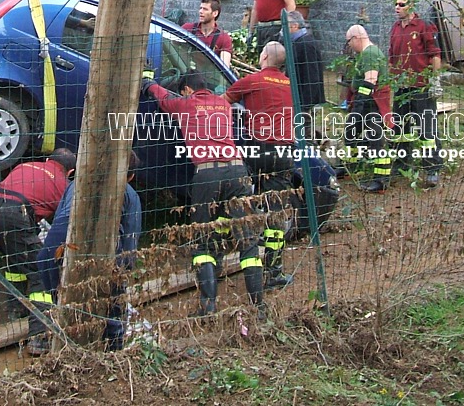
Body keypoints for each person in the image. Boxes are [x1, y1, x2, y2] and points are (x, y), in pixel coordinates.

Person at [142, 71, 265, 317]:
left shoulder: (185, 104)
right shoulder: (222, 104)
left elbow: (163, 98)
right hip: (237, 171)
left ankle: (207, 306)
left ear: (187, 89)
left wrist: (149, 83)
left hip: (207, 173)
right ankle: (259, 306)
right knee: (246, 238)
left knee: (201, 239)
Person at [36, 151, 142, 353]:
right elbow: (130, 240)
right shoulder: (130, 194)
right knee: (114, 293)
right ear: (131, 176)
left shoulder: (76, 184)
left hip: (64, 236)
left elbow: (58, 222)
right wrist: (125, 269)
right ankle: (114, 344)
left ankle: (59, 326)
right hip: (106, 241)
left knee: (50, 270)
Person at [0, 148, 76, 352]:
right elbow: (63, 222)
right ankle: (38, 337)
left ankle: (16, 310)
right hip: (14, 214)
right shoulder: (63, 185)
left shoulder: (26, 165)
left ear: (49, 159)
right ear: (70, 172)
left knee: (16, 262)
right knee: (40, 270)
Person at [225, 41, 295, 289]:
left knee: (246, 200)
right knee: (276, 210)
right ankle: (273, 270)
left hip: (257, 148)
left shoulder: (252, 80)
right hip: (283, 151)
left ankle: (244, 250)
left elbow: (223, 101)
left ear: (264, 56)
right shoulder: (291, 84)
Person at [388, 0, 444, 187]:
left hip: (421, 86)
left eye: (401, 4)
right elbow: (392, 56)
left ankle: (432, 168)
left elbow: (435, 54)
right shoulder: (395, 28)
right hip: (401, 87)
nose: (397, 7)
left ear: (411, 6)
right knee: (400, 128)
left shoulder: (424, 25)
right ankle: (402, 164)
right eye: (395, 4)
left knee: (426, 129)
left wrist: (435, 80)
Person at [342, 25, 394, 193]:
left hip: (372, 103)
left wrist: (359, 105)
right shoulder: (365, 54)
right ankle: (351, 166)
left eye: (349, 41)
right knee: (350, 133)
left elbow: (370, 81)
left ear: (356, 38)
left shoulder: (370, 54)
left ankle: (381, 180)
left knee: (376, 140)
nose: (349, 45)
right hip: (366, 102)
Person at [285, 10, 326, 114]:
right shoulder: (299, 42)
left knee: (304, 127)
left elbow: (312, 76)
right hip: (299, 99)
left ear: (294, 26)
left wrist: (305, 105)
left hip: (304, 101)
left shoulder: (306, 44)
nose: (282, 30)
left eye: (285, 26)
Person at [182, 0, 233, 66]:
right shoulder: (187, 29)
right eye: (200, 8)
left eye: (205, 9)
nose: (200, 11)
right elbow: (172, 47)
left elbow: (225, 68)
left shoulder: (224, 38)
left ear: (215, 13)